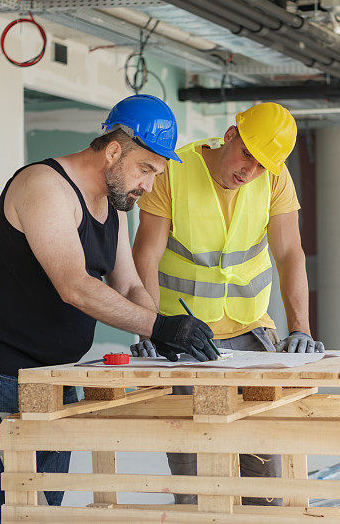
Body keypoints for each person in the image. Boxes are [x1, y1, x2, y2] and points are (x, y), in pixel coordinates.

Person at [0, 94, 217, 523]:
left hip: (59, 372)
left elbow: (129, 281)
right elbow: (73, 285)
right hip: (1, 373)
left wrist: (154, 331)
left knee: (44, 508)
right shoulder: (44, 186)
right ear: (114, 150)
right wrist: (160, 325)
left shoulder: (112, 205)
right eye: (146, 169)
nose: (148, 186)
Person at [131, 102, 324, 505]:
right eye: (247, 156)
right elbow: (146, 254)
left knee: (265, 471)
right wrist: (148, 327)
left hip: (252, 332)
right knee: (194, 474)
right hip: (184, 340)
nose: (249, 171)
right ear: (231, 135)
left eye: (261, 166)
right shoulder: (174, 170)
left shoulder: (275, 178)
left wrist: (301, 327)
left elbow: (290, 253)